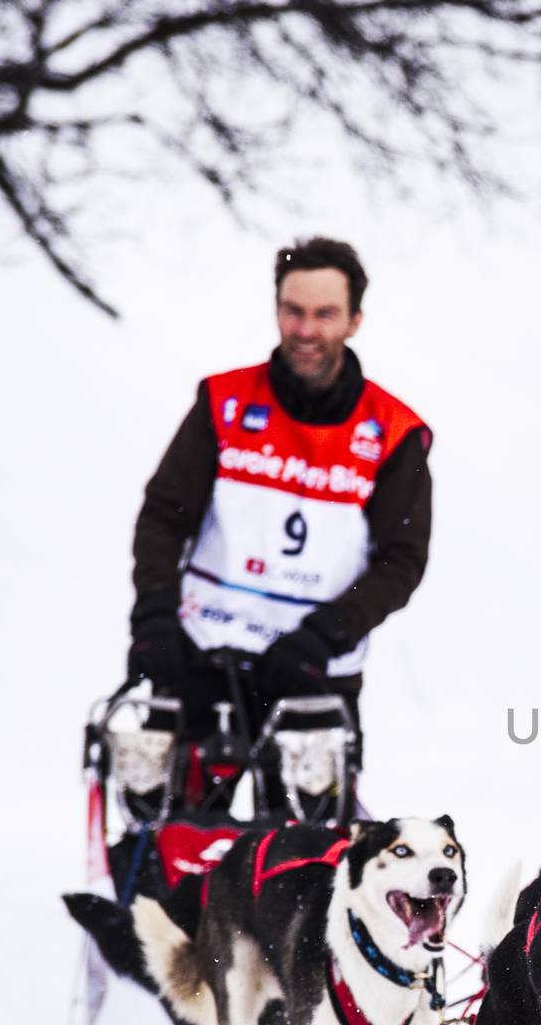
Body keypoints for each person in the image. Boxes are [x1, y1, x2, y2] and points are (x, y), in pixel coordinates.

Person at [126, 236, 433, 766]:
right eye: (293, 311)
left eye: (325, 313)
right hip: (201, 654)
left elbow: (401, 561)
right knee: (170, 838)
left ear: (355, 320)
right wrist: (154, 615)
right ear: (276, 310)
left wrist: (326, 635)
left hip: (312, 668)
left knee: (307, 847)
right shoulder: (223, 403)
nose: (306, 330)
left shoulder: (392, 432)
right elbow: (163, 516)